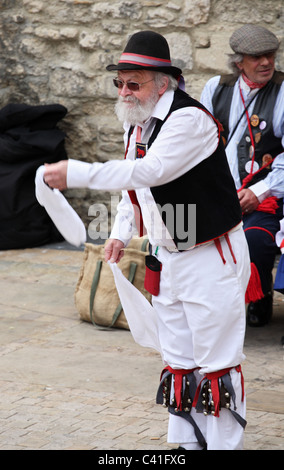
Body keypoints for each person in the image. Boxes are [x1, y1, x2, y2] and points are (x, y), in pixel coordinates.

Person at [43, 31, 250, 450]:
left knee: (216, 362)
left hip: (211, 254)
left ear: (162, 82)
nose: (124, 91)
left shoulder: (190, 121)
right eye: (119, 83)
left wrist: (77, 173)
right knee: (178, 359)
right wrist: (120, 234)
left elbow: (149, 172)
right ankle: (187, 447)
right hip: (169, 256)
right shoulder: (137, 124)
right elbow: (133, 191)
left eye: (133, 83)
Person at [201, 24, 284, 327]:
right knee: (192, 238)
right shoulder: (216, 88)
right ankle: (215, 307)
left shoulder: (283, 91)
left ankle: (258, 299)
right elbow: (200, 142)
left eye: (271, 56)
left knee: (254, 241)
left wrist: (259, 191)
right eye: (257, 57)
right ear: (238, 62)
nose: (266, 63)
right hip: (221, 192)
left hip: (267, 197)